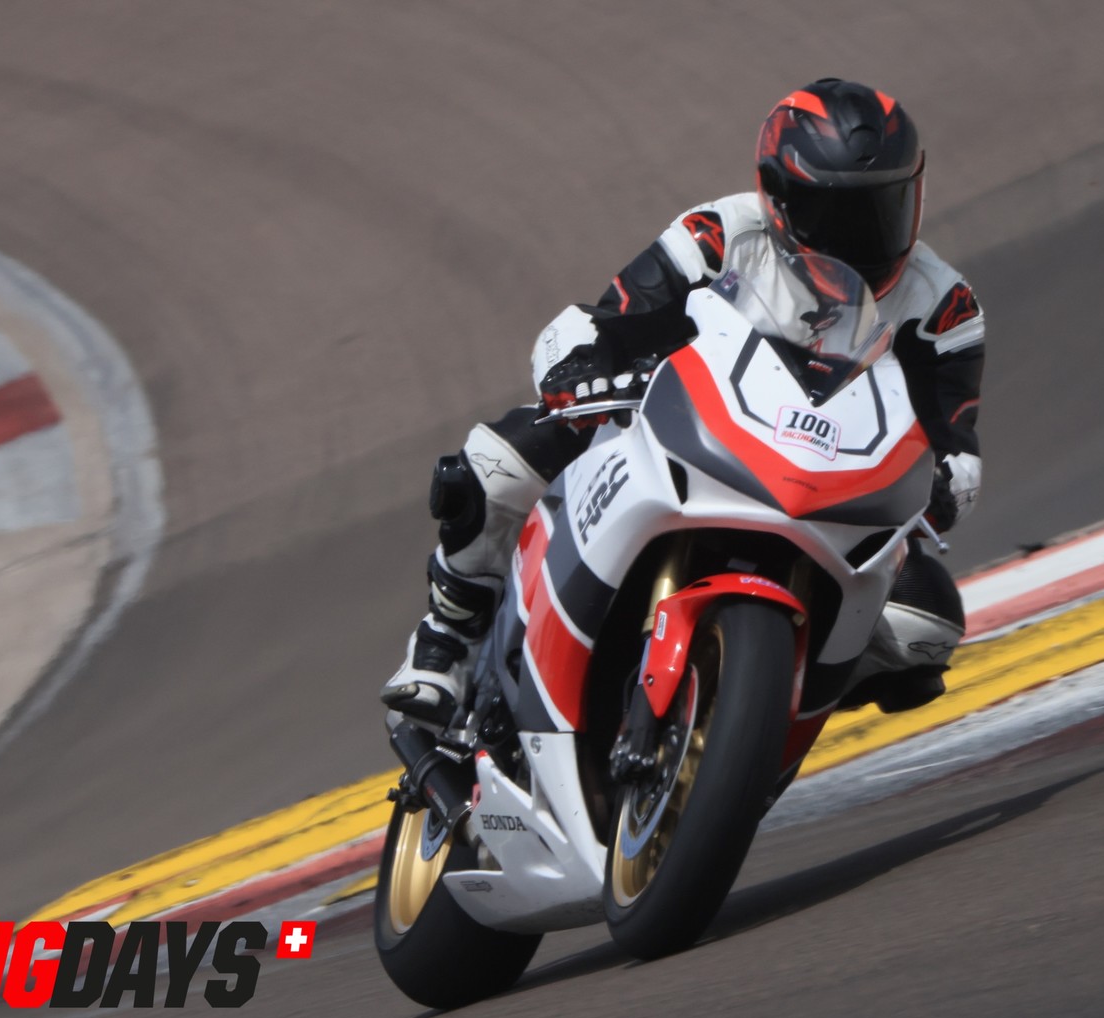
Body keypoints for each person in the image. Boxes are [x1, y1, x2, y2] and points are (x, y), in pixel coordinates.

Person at [382, 77, 984, 726]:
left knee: (925, 622)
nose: (860, 238)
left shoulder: (944, 306)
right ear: (778, 195)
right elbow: (618, 317)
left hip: (834, 480)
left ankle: (767, 701)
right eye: (833, 214)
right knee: (497, 464)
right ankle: (447, 638)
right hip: (695, 431)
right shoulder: (720, 233)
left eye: (882, 209)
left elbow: (955, 437)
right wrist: (586, 365)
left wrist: (945, 484)